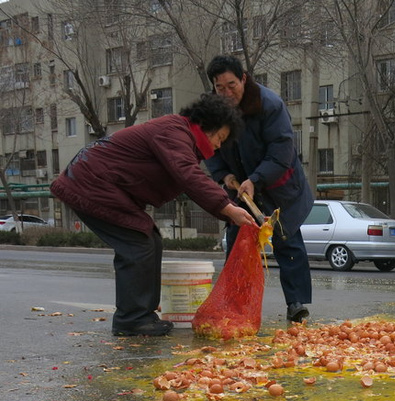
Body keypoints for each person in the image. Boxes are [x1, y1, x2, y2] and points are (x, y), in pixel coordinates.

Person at [50, 94, 254, 336]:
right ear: (207, 124)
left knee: (149, 239)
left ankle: (142, 316)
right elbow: (187, 174)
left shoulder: (181, 136)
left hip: (99, 184)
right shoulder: (174, 131)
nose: (219, 146)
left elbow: (187, 175)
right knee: (137, 242)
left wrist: (225, 207)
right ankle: (131, 320)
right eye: (220, 138)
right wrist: (228, 208)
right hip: (90, 183)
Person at [205, 55, 314, 324]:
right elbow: (207, 147)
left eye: (232, 85)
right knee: (238, 243)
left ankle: (296, 304)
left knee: (288, 242)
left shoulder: (269, 105)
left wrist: (256, 179)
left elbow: (282, 151)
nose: (227, 93)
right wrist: (224, 175)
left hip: (279, 184)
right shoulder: (211, 110)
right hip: (239, 187)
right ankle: (234, 303)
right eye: (220, 88)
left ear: (243, 78)